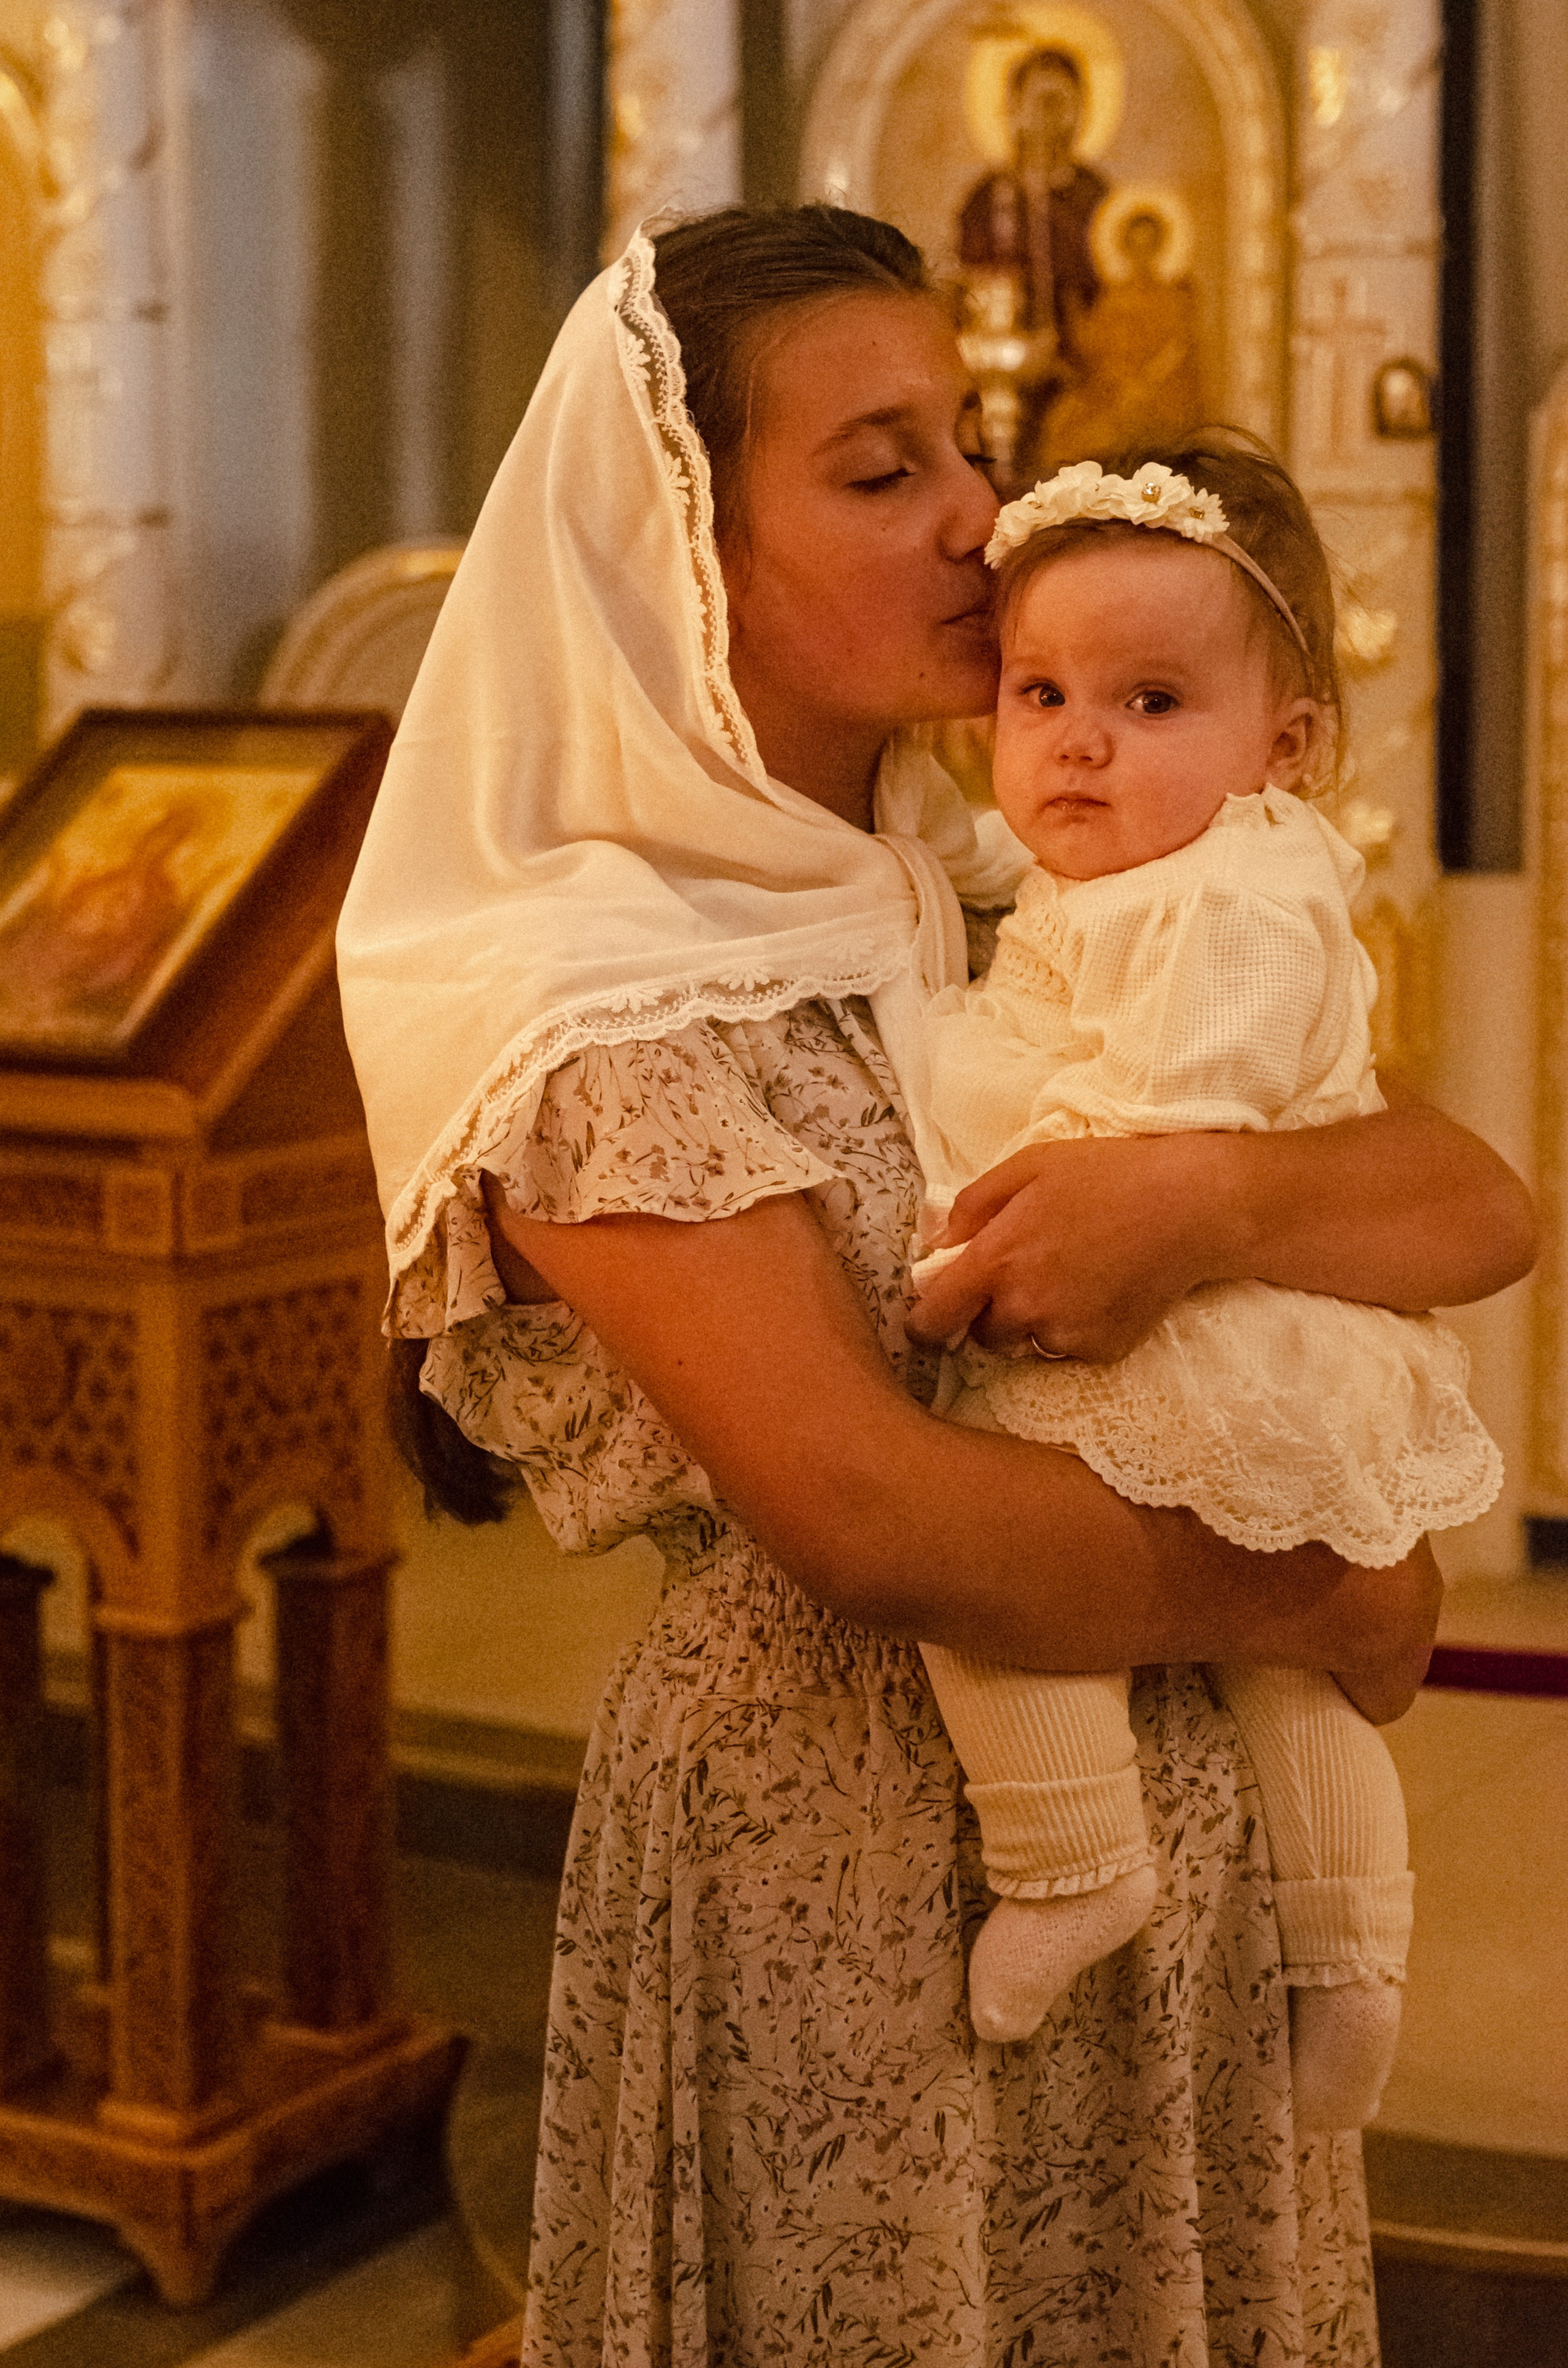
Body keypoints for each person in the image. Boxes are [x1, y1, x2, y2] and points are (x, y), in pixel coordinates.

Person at [336, 206, 1534, 2365]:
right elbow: (869, 1511)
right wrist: (1321, 1593)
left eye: (966, 443)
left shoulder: (977, 870)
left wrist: (1203, 1208)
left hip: (1176, 1858)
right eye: (884, 469)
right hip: (859, 1869)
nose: (984, 517)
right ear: (668, 554)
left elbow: (1463, 1197)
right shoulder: (585, 1003)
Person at [910, 444, 1502, 2119]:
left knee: (992, 1566)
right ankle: (1353, 1953)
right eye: (1041, 691)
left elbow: (1163, 1128)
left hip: (1184, 1329)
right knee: (1291, 1676)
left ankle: (1073, 1846)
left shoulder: (1233, 891)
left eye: (1152, 699)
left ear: (1285, 749)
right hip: (1242, 1337)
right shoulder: (1089, 879)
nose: (1082, 740)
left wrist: (991, 1211)